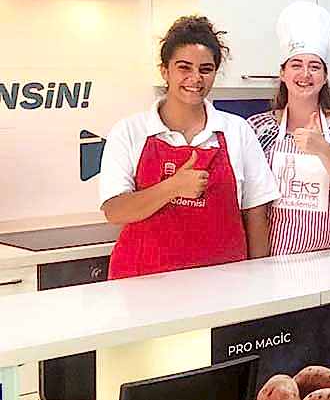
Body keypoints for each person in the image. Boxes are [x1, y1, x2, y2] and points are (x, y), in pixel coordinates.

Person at [100, 16, 278, 278]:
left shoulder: (237, 131)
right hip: (142, 284)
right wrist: (172, 187)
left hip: (224, 284)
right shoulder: (129, 131)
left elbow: (256, 213)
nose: (195, 78)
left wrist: (259, 280)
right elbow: (115, 210)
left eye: (206, 69)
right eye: (184, 67)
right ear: (165, 71)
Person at [249, 2, 330, 255]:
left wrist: (323, 150)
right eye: (296, 65)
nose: (305, 74)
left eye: (314, 66)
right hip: (274, 258)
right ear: (282, 73)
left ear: (325, 77)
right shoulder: (257, 128)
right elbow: (250, 202)